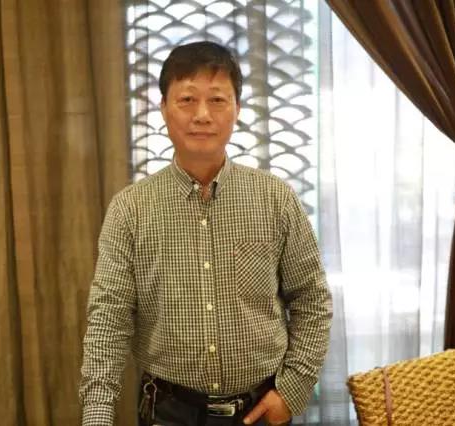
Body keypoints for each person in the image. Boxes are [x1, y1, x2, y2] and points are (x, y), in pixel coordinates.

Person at [80, 41, 332, 426]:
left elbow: (311, 299)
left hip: (261, 410)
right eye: (186, 100)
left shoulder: (275, 198)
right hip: (167, 412)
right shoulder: (130, 208)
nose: (202, 115)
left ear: (237, 110)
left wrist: (293, 389)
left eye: (217, 100)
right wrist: (96, 416)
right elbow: (108, 320)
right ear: (163, 108)